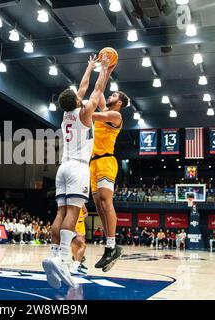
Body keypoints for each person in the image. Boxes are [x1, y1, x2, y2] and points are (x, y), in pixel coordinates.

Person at [42, 53, 113, 289]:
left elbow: (83, 88)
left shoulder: (66, 115)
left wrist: (88, 68)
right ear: (75, 100)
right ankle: (62, 258)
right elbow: (96, 89)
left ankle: (53, 253)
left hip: (62, 168)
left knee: (61, 212)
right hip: (78, 168)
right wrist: (103, 69)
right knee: (72, 212)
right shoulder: (85, 113)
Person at [90, 71, 129, 270]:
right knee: (97, 206)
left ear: (120, 102)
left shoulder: (115, 115)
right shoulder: (107, 108)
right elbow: (99, 90)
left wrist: (79, 105)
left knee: (106, 201)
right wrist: (105, 69)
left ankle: (111, 246)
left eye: (115, 95)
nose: (111, 95)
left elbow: (91, 112)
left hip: (106, 161)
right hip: (93, 162)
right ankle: (110, 246)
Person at [71, 204, 88, 275]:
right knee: (80, 246)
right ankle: (75, 266)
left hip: (81, 225)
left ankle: (78, 264)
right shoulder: (70, 203)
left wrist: (82, 216)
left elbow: (86, 213)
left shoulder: (81, 202)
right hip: (73, 225)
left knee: (80, 245)